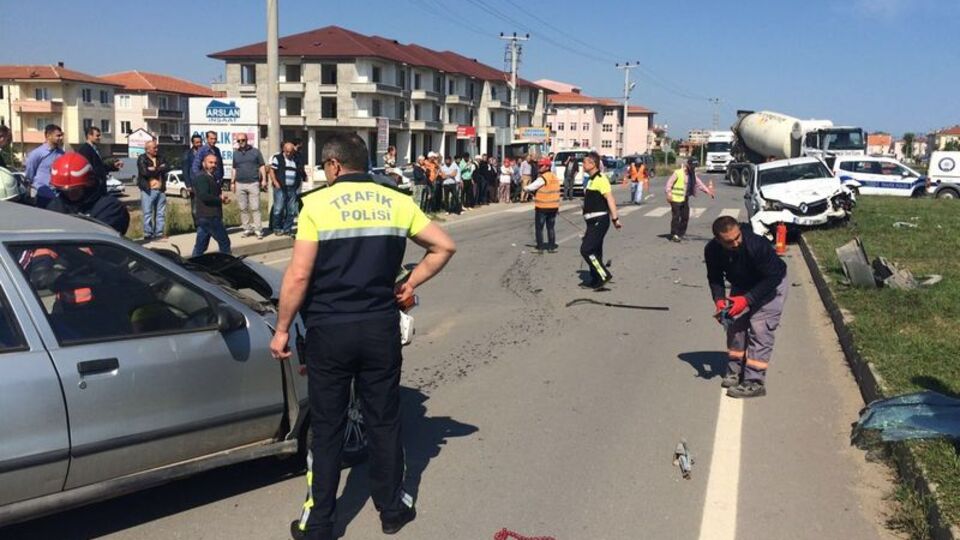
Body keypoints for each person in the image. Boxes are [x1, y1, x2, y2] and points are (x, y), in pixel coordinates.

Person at [269, 133, 456, 540]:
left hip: (329, 331)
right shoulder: (396, 200)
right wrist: (409, 283)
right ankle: (392, 511)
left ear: (335, 166)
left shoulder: (317, 204)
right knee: (383, 421)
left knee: (327, 426)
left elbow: (298, 275)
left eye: (324, 167)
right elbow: (444, 246)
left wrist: (282, 329)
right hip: (378, 328)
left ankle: (318, 523)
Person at [706, 216, 787, 398]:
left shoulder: (756, 245)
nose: (735, 243)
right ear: (718, 240)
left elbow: (773, 277)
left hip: (771, 284)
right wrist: (719, 300)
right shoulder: (712, 250)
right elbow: (715, 277)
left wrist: (747, 299)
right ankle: (735, 370)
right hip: (742, 284)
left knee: (760, 329)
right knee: (734, 326)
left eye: (737, 237)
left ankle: (754, 382)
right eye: (729, 241)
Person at [46, 153, 130, 234]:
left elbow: (104, 239)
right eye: (64, 190)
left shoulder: (110, 208)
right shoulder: (55, 207)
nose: (70, 193)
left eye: (75, 189)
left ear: (89, 184)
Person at [579, 151, 621, 289]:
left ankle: (603, 274)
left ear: (593, 164)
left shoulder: (601, 179)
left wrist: (615, 218)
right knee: (595, 251)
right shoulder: (591, 180)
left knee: (586, 250)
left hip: (599, 220)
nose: (583, 165)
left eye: (585, 162)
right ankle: (596, 279)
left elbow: (610, 198)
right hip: (591, 221)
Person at [191, 153, 232, 256]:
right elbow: (204, 196)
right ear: (203, 163)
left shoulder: (211, 177)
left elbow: (211, 194)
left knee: (200, 246)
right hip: (209, 216)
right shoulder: (202, 177)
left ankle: (192, 263)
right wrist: (219, 199)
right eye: (210, 162)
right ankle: (227, 263)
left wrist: (221, 198)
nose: (213, 165)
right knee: (224, 242)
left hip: (206, 216)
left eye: (215, 163)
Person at [664, 158, 714, 242]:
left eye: (694, 167)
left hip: (684, 199)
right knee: (676, 217)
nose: (693, 168)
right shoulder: (678, 173)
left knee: (685, 217)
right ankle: (674, 234)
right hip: (675, 199)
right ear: (688, 165)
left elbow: (699, 184)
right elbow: (669, 184)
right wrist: (668, 193)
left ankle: (680, 234)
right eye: (692, 166)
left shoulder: (692, 174)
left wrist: (708, 191)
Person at [231, 134, 266, 238]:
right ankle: (247, 228)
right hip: (240, 184)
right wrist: (232, 182)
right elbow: (234, 168)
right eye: (238, 141)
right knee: (243, 208)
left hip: (253, 183)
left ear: (247, 140)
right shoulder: (235, 154)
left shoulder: (255, 152)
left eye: (243, 140)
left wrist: (264, 179)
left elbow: (262, 166)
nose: (241, 142)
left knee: (255, 207)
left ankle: (258, 229)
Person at [24, 124, 65, 208]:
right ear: (48, 136)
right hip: (42, 195)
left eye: (61, 135)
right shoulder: (37, 153)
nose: (61, 138)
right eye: (58, 135)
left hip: (58, 195)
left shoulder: (62, 154)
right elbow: (29, 173)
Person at [525, 157, 561, 253]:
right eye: (539, 165)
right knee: (551, 228)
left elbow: (532, 187)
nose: (539, 167)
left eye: (541, 166)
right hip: (553, 207)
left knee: (539, 228)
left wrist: (525, 188)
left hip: (543, 207)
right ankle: (551, 247)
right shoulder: (554, 177)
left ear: (547, 167)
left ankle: (540, 247)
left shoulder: (543, 178)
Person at [137, 140, 170, 239]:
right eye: (154, 148)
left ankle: (159, 233)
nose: (156, 149)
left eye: (156, 147)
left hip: (160, 189)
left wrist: (154, 168)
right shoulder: (142, 158)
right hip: (148, 190)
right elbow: (145, 173)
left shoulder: (161, 157)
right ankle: (148, 234)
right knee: (147, 213)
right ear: (147, 149)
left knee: (160, 213)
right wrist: (159, 168)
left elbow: (167, 167)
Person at [75, 126, 123, 197]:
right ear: (89, 136)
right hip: (93, 189)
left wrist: (113, 165)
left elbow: (100, 166)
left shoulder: (95, 149)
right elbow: (88, 170)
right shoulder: (85, 150)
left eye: (99, 135)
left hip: (99, 188)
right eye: (97, 135)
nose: (99, 137)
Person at [270, 141, 303, 236]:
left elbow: (300, 170)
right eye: (287, 151)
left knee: (291, 210)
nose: (288, 154)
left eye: (290, 152)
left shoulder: (296, 159)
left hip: (292, 188)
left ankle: (287, 229)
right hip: (280, 187)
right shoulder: (278, 158)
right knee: (278, 208)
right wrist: (275, 182)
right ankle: (277, 228)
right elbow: (272, 171)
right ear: (283, 150)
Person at [180, 134, 203, 224]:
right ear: (193, 143)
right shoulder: (187, 154)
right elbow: (185, 170)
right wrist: (188, 185)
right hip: (194, 184)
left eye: (200, 142)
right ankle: (197, 225)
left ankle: (205, 225)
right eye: (197, 142)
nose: (199, 144)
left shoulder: (205, 152)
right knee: (195, 208)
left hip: (204, 182)